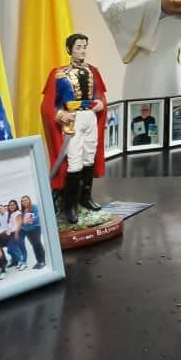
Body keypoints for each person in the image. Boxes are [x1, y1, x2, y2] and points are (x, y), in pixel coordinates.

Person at [40, 33, 107, 225]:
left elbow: (100, 95)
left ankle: (85, 197)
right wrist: (60, 114)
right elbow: (49, 105)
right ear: (69, 49)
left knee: (89, 158)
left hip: (90, 118)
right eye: (78, 47)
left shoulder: (93, 71)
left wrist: (100, 104)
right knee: (74, 162)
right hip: (73, 120)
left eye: (84, 47)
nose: (82, 51)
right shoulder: (59, 74)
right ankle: (70, 205)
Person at [20, 195, 46, 270]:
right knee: (34, 245)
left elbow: (38, 216)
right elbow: (22, 221)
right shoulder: (23, 211)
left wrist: (30, 220)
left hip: (35, 228)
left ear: (29, 200)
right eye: (23, 201)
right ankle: (38, 261)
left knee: (38, 243)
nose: (25, 201)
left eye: (26, 200)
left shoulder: (34, 207)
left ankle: (43, 261)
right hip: (27, 230)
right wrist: (22, 225)